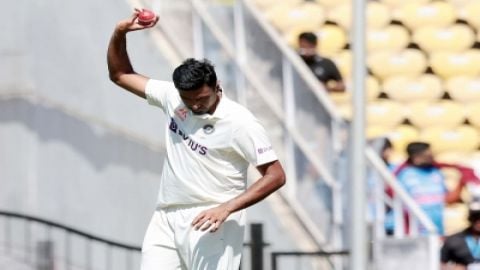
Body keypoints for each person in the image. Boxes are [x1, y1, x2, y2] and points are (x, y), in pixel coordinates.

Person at [107, 10, 286, 270]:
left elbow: (276, 175)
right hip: (166, 216)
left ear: (217, 87)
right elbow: (120, 74)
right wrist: (120, 32)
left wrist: (227, 208)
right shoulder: (173, 97)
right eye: (189, 100)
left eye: (201, 98)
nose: (195, 106)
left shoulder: (240, 122)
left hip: (214, 218)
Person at [391, 142, 477, 235]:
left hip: (436, 229)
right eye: (428, 155)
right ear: (416, 157)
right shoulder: (403, 174)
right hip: (413, 230)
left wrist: (461, 183)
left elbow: (447, 199)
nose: (432, 158)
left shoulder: (435, 172)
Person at [441, 202, 480, 269]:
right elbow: (440, 263)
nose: (478, 221)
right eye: (475, 217)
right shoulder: (454, 240)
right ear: (469, 218)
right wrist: (453, 268)